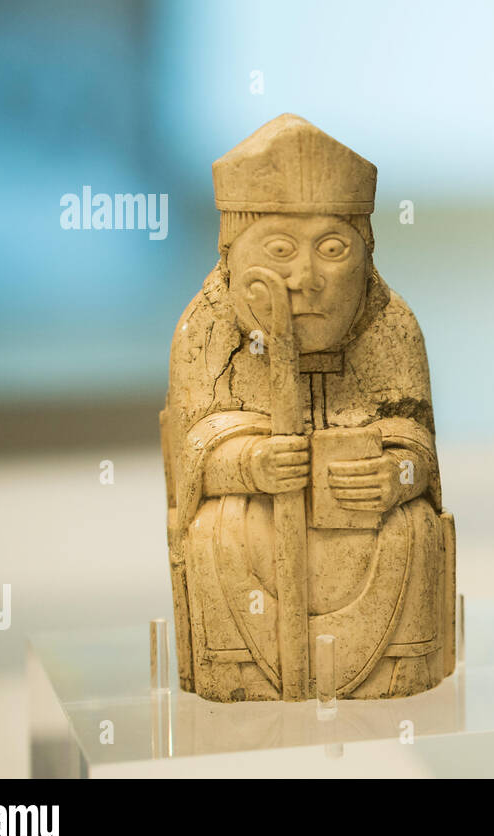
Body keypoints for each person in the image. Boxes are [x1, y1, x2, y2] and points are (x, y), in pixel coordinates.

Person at [161, 114, 454, 702]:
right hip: (258, 524)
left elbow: (418, 446)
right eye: (278, 249)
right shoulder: (206, 327)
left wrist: (395, 476)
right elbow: (191, 446)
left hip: (366, 527)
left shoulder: (390, 324)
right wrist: (250, 465)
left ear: (364, 257)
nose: (305, 277)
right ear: (232, 257)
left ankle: (392, 675)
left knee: (413, 526)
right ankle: (241, 674)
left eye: (332, 247)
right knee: (214, 528)